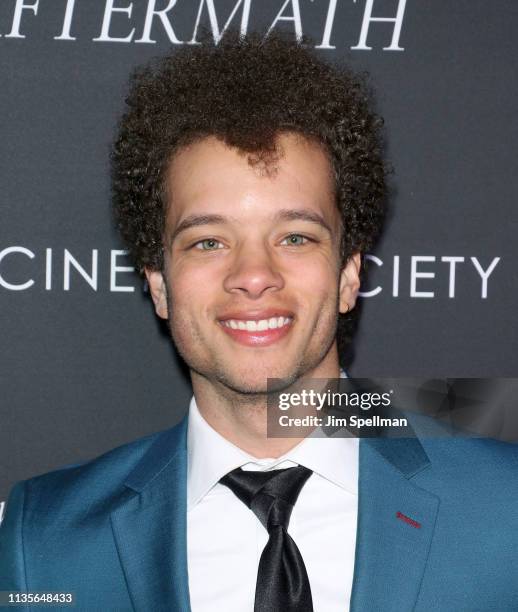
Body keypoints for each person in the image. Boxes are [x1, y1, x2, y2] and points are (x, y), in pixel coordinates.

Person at [1, 32, 517, 612]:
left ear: (349, 274)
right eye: (208, 241)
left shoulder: (508, 513)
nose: (253, 275)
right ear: (158, 284)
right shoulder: (43, 541)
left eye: (294, 236)